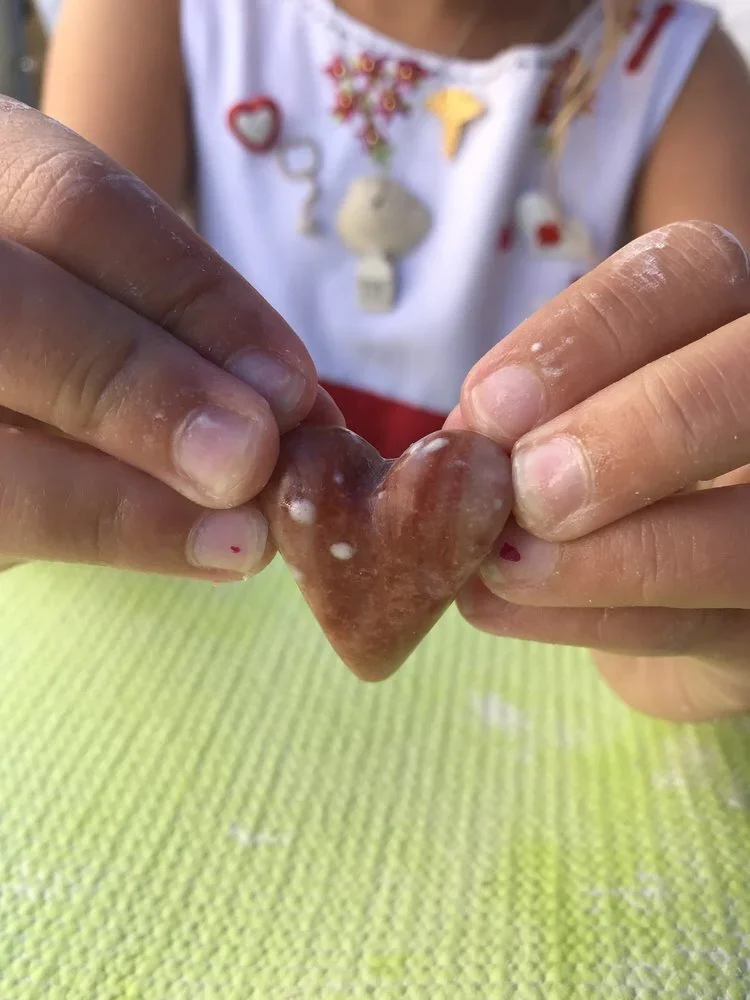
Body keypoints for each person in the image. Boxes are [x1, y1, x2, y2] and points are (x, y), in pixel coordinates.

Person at [18, 0, 750, 722]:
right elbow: (62, 390)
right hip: (160, 668)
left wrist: (712, 647)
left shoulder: (682, 73)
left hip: (535, 691)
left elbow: (719, 477)